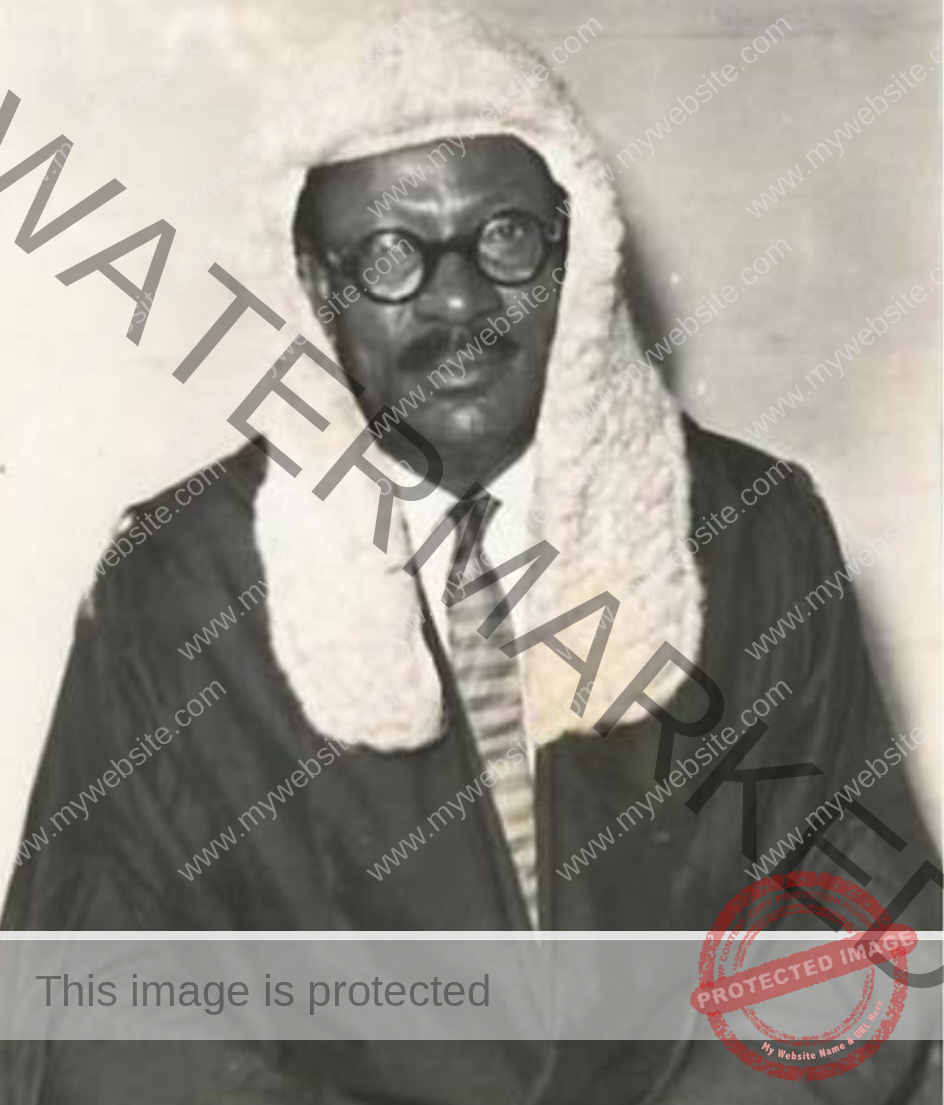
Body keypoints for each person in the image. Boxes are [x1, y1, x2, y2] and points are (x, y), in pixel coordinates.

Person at [3, 3, 939, 1102]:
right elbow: (90, 985)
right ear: (315, 283)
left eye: (505, 238)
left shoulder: (751, 531)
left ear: (574, 250)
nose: (459, 301)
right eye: (388, 255)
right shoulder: (176, 584)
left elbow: (862, 922)